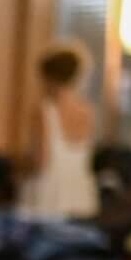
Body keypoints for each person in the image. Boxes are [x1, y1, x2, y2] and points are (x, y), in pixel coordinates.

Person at [17, 41, 100, 220]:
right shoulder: (87, 112)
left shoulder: (44, 111)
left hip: (48, 196)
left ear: (48, 77)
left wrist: (17, 169)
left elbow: (40, 161)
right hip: (79, 193)